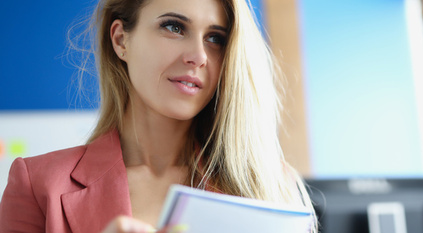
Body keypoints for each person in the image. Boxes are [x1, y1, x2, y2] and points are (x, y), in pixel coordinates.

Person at [0, 0, 316, 232]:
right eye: (174, 27)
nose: (199, 56)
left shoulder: (270, 185)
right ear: (121, 40)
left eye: (215, 38)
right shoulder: (37, 184)